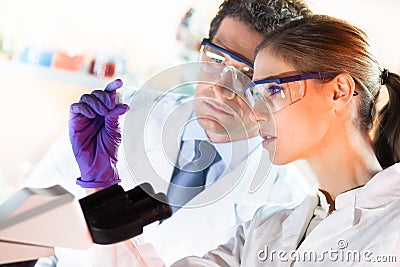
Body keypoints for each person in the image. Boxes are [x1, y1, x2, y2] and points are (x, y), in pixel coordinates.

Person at [29, 1, 312, 266]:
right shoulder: (118, 120)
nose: (222, 88)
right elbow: (25, 233)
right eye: (216, 59)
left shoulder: (288, 203)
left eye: (249, 75)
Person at [172, 14, 400, 266]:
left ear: (339, 92)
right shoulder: (262, 231)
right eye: (255, 94)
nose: (257, 114)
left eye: (274, 90)